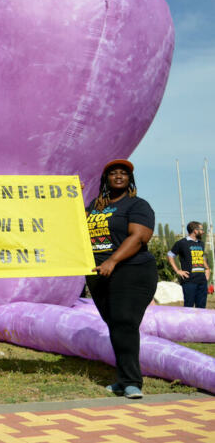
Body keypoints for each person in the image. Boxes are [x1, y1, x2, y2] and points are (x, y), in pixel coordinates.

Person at [85, 159, 156, 399]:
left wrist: (113, 261)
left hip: (131, 270)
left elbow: (138, 237)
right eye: (113, 173)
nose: (118, 176)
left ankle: (131, 382)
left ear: (129, 179)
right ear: (105, 179)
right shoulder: (94, 206)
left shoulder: (137, 205)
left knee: (125, 322)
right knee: (115, 325)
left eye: (123, 173)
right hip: (99, 274)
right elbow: (71, 225)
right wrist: (71, 196)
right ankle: (123, 378)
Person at [168, 221, 211, 308]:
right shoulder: (182, 243)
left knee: (201, 308)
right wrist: (177, 270)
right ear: (195, 231)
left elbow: (201, 257)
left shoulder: (201, 243)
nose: (203, 232)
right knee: (188, 308)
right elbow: (170, 255)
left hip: (202, 281)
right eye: (201, 229)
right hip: (189, 281)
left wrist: (207, 269)